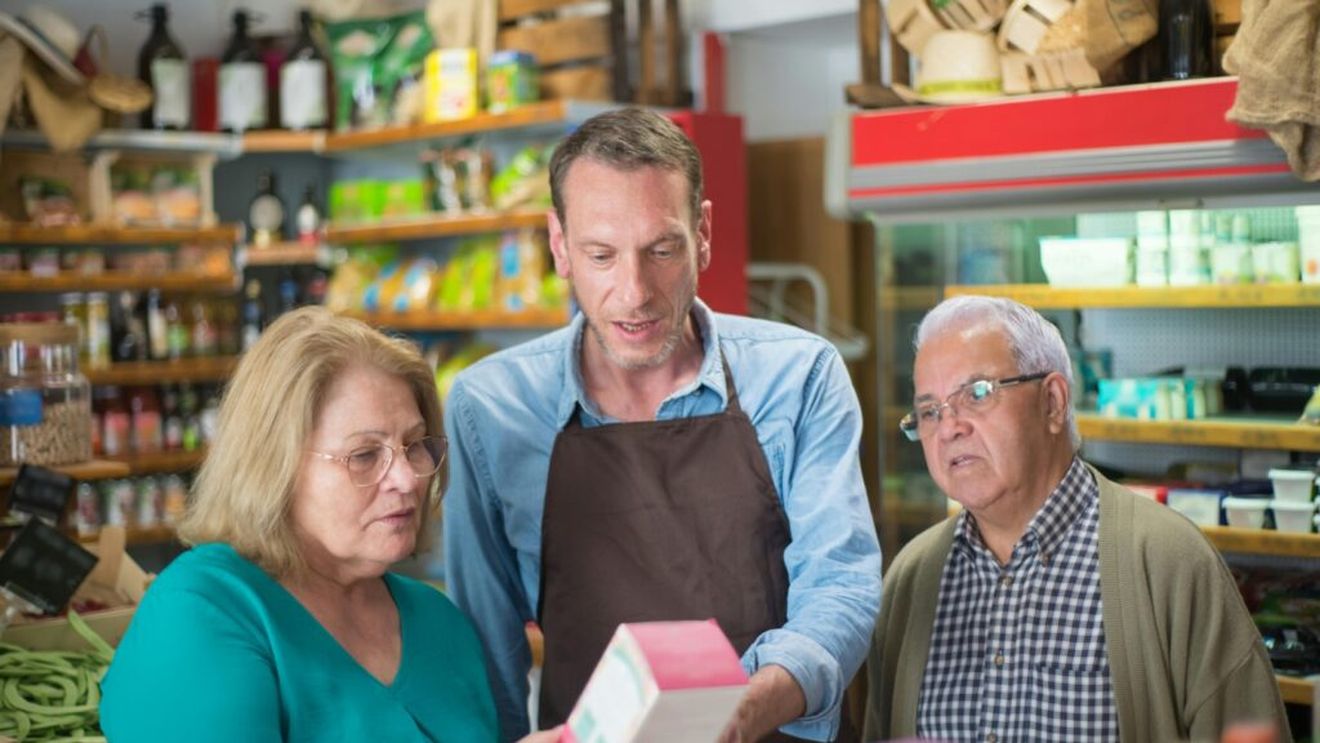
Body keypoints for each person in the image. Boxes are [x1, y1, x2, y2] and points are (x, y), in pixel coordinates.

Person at [443, 107, 882, 742]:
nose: (635, 292)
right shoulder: (490, 408)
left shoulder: (799, 376)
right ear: (559, 245)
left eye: (662, 250)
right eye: (601, 255)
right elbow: (484, 641)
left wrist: (744, 709)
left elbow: (840, 586)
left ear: (702, 233)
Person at [100, 307, 560, 743]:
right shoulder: (204, 608)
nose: (407, 479)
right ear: (274, 465)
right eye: (365, 455)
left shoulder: (441, 623)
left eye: (415, 444)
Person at [863, 295, 1290, 743]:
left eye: (978, 393)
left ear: (1052, 402)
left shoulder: (1169, 562)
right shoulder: (910, 580)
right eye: (929, 411)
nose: (949, 428)